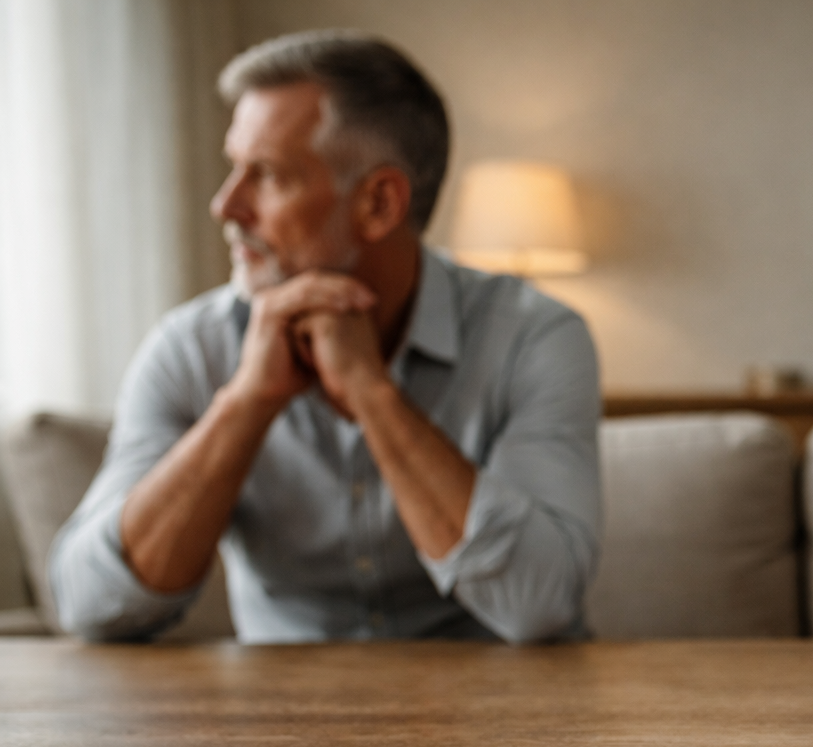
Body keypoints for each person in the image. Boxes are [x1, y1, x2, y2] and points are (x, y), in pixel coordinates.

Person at [50, 31, 602, 643]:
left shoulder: (535, 338)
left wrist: (373, 393)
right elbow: (91, 606)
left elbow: (539, 607)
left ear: (379, 204)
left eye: (266, 176)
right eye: (234, 169)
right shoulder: (190, 348)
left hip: (508, 723)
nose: (225, 205)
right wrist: (246, 402)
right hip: (281, 730)